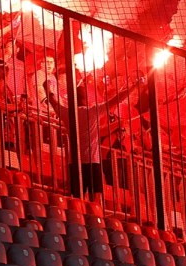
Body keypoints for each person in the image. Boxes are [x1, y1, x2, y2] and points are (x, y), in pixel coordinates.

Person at [45, 73, 145, 202]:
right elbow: (117, 99)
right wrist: (134, 87)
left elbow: (52, 100)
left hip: (75, 162)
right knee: (95, 197)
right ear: (85, 98)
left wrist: (47, 87)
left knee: (77, 197)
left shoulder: (67, 113)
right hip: (92, 161)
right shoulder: (93, 111)